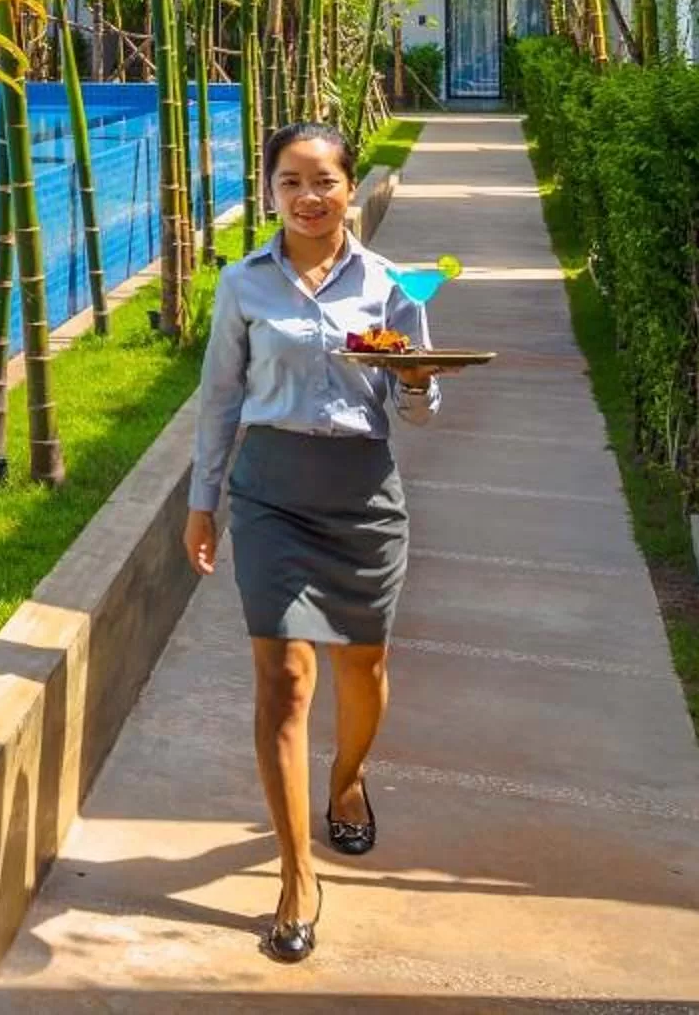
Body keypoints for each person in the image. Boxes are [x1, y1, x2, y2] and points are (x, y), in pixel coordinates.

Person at [185, 120, 445, 965]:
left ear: (349, 187)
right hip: (269, 497)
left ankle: (348, 779)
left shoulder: (386, 285)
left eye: (323, 181)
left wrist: (414, 381)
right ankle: (298, 876)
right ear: (270, 191)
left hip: (363, 496)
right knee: (284, 680)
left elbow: (416, 404)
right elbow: (221, 400)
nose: (308, 197)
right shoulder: (242, 285)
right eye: (290, 182)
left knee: (361, 670)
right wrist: (203, 502)